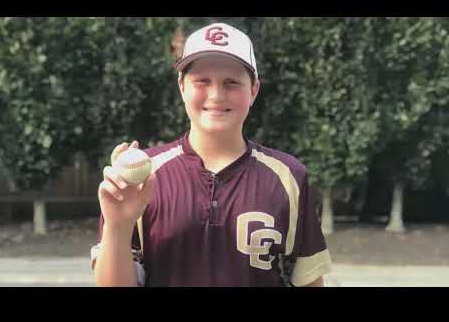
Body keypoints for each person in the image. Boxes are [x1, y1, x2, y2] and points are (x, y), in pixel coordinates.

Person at [91, 22, 332, 287]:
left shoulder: (288, 176)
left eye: (231, 83)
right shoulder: (141, 180)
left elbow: (310, 281)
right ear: (182, 87)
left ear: (253, 91)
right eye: (202, 81)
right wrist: (117, 225)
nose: (216, 95)